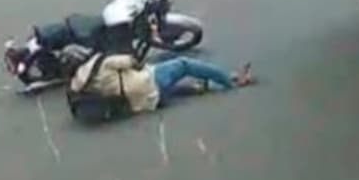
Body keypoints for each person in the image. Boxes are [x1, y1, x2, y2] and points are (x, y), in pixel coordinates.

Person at [71, 52, 255, 115]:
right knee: (183, 64)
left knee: (170, 87)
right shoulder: (100, 62)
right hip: (148, 83)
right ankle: (232, 81)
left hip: (141, 103)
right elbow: (132, 62)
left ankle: (210, 84)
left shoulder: (79, 84)